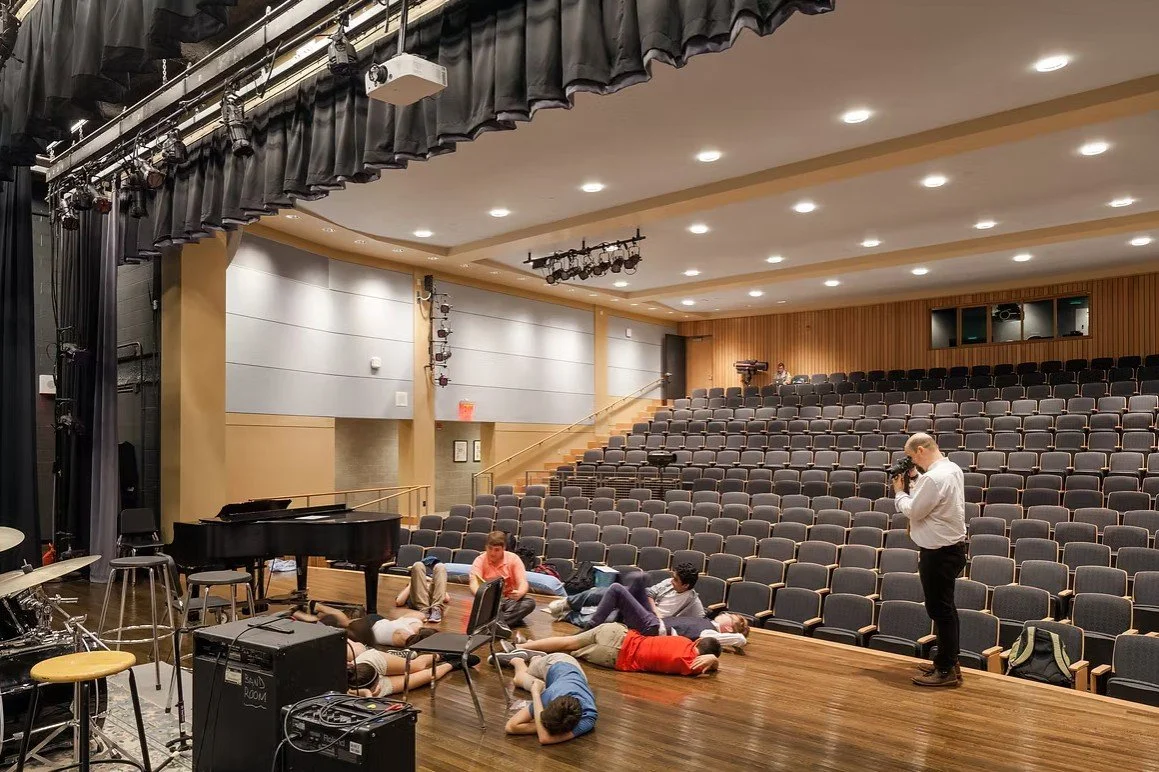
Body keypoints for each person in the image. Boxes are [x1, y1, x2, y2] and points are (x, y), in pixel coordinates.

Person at [893, 432, 967, 688]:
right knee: (946, 609)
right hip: (950, 550)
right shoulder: (950, 468)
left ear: (922, 450)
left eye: (912, 457)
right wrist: (916, 479)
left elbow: (915, 510)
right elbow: (931, 493)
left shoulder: (934, 478)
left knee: (941, 611)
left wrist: (899, 493)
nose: (913, 462)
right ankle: (947, 661)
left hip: (939, 554)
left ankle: (945, 669)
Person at [584, 572, 750, 648]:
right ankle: (606, 618)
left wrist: (740, 634)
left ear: (729, 628)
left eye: (731, 616)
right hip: (653, 620)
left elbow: (739, 640)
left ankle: (589, 628)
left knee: (616, 589)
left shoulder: (710, 634)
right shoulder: (706, 621)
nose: (726, 613)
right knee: (640, 579)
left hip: (653, 628)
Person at [497, 622, 722, 676]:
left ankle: (522, 646)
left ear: (698, 643)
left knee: (567, 642)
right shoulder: (692, 666)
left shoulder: (683, 640)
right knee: (566, 653)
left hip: (619, 633)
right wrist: (713, 661)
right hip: (614, 657)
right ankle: (522, 657)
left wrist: (711, 656)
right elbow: (707, 664)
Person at [546, 563, 704, 627]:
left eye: (676, 580)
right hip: (645, 609)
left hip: (648, 623)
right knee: (607, 591)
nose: (671, 581)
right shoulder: (669, 583)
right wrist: (653, 606)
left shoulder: (692, 602)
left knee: (610, 617)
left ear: (686, 585)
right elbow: (649, 593)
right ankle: (569, 602)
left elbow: (699, 623)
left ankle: (568, 615)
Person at [503, 653, 597, 745]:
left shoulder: (589, 716)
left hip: (570, 673)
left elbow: (545, 738)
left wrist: (536, 695)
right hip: (556, 662)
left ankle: (523, 659)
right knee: (528, 671)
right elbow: (510, 726)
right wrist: (535, 692)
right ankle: (526, 659)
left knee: (518, 680)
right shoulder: (549, 695)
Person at [470, 531, 536, 631]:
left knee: (529, 603)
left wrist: (520, 593)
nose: (492, 553)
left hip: (510, 600)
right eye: (490, 549)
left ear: (504, 548)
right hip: (489, 602)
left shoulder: (513, 559)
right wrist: (482, 595)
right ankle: (502, 623)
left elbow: (523, 582)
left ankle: (494, 624)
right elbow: (474, 583)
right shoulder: (479, 560)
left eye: (497, 550)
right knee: (484, 607)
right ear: (485, 547)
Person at [291, 603, 427, 648]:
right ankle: (301, 613)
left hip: (379, 620)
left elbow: (397, 611)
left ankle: (316, 608)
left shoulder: (416, 622)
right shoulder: (402, 639)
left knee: (344, 622)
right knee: (343, 624)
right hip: (368, 627)